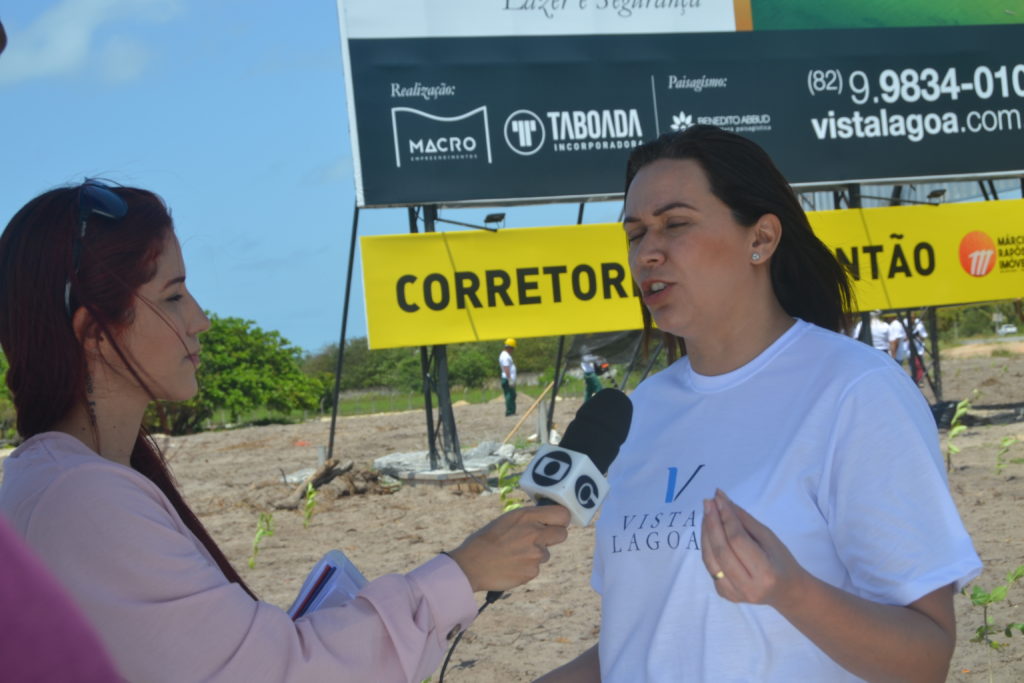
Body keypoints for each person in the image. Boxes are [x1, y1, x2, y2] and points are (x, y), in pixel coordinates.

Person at [0, 181, 571, 683]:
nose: (200, 318)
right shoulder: (84, 501)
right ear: (94, 333)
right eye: (173, 297)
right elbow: (278, 674)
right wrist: (463, 571)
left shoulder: (57, 479)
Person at [538, 125, 980, 682]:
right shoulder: (640, 412)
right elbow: (643, 643)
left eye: (675, 224)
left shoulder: (853, 391)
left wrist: (790, 592)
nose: (648, 252)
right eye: (634, 234)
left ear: (762, 239)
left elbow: (925, 659)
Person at [499, 337, 517, 416]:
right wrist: (510, 379)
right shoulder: (505, 356)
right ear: (510, 347)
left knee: (512, 395)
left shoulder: (505, 355)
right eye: (513, 348)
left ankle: (512, 411)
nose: (513, 350)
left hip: (508, 378)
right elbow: (506, 368)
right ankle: (510, 412)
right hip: (507, 378)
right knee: (509, 395)